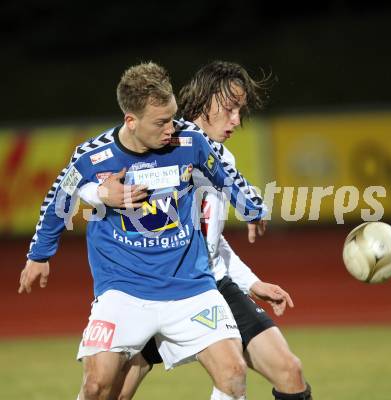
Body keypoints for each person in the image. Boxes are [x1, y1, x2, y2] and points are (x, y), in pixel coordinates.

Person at [18, 61, 268, 400]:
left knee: (234, 374)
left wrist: (251, 208)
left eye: (173, 117)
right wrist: (39, 256)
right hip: (124, 289)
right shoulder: (92, 158)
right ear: (131, 121)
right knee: (97, 386)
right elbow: (57, 200)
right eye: (161, 122)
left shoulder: (189, 141)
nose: (171, 128)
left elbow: (224, 174)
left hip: (189, 286)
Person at [84, 61, 313, 400]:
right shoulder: (163, 145)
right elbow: (89, 184)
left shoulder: (222, 160)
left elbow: (210, 237)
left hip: (210, 282)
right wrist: (97, 193)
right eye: (230, 108)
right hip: (153, 281)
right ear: (206, 99)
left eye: (241, 111)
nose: (236, 120)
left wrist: (251, 283)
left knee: (289, 371)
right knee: (108, 391)